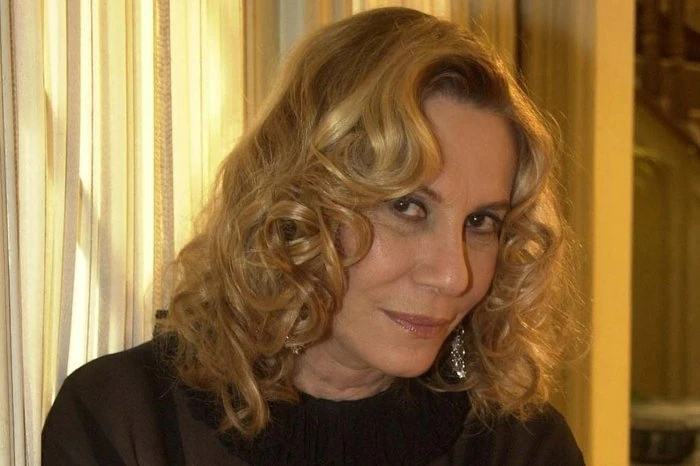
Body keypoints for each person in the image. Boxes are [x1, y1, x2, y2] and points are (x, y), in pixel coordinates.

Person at [42, 7, 584, 465]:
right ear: (296, 204)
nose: (453, 275)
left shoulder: (523, 448)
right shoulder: (128, 422)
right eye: (407, 206)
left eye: (481, 222)